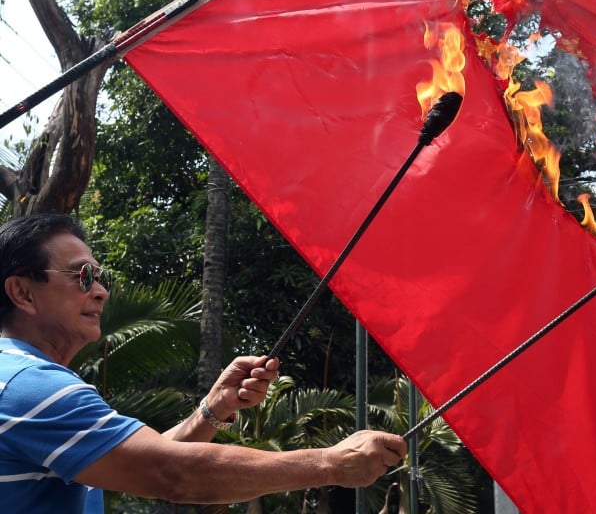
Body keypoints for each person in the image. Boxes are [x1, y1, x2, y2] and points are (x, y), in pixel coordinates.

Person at [0, 213, 407, 513]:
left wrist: (214, 409)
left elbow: (143, 464)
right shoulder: (26, 385)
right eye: (83, 275)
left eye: (100, 276)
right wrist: (331, 462)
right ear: (23, 292)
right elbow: (171, 474)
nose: (102, 291)